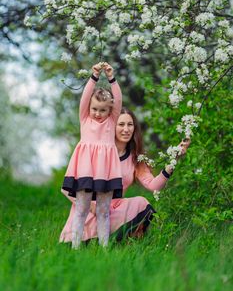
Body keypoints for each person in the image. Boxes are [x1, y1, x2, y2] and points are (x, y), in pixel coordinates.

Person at [60, 107, 190, 243]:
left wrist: (174, 160)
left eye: (130, 124)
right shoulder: (97, 151)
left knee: (141, 202)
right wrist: (90, 205)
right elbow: (67, 189)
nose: (126, 129)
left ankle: (120, 245)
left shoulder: (135, 158)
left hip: (113, 212)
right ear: (111, 126)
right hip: (86, 212)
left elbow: (154, 186)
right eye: (121, 124)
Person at [61, 62, 122, 248]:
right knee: (81, 208)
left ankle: (104, 249)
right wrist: (94, 75)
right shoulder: (85, 118)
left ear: (110, 110)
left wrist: (111, 77)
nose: (97, 113)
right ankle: (75, 247)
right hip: (85, 169)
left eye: (102, 110)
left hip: (106, 170)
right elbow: (86, 97)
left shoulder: (112, 121)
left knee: (104, 211)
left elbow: (118, 99)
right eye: (95, 109)